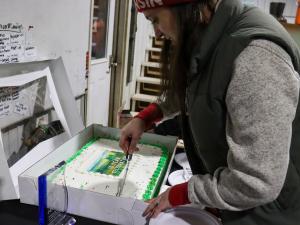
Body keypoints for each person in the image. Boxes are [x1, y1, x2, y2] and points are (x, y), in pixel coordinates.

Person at [119, 0, 300, 224]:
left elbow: (256, 182)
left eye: (155, 19)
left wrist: (181, 194)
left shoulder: (255, 56)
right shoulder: (210, 33)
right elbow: (197, 87)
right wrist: (148, 117)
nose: (157, 33)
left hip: (266, 216)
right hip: (233, 206)